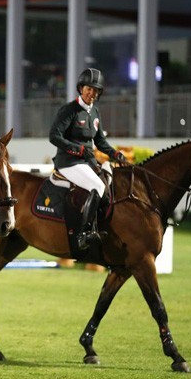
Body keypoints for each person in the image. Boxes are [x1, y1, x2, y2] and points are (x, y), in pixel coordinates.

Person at [49, 68, 127, 250]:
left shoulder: (95, 113)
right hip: (68, 162)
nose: (91, 93)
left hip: (87, 162)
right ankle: (84, 234)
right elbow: (54, 136)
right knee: (98, 186)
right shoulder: (69, 110)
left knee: (109, 185)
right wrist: (79, 149)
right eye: (88, 89)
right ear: (81, 89)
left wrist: (115, 154)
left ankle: (100, 227)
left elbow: (100, 141)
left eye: (95, 90)